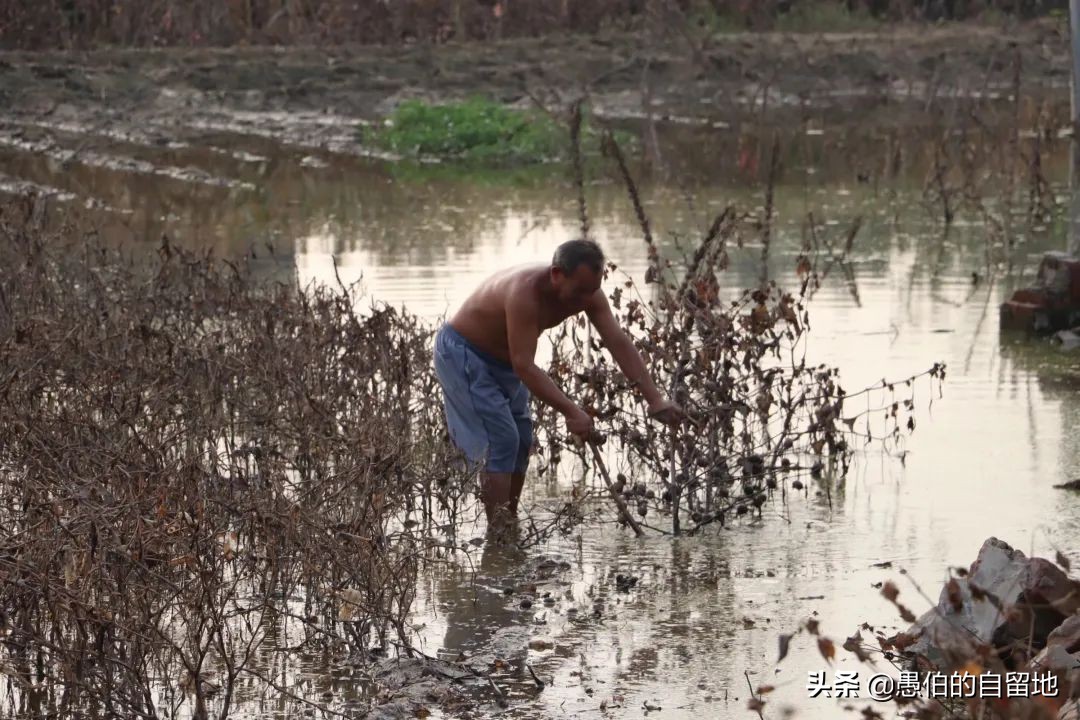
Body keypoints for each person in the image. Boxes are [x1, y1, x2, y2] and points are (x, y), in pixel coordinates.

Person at [433, 239, 684, 533]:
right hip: (465, 353)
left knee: (522, 439)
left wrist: (654, 399)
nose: (584, 301)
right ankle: (499, 534)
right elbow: (524, 365)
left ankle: (508, 525)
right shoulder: (524, 293)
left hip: (506, 362)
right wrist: (571, 411)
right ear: (556, 274)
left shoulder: (588, 293)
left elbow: (617, 340)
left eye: (591, 291)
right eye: (578, 292)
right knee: (502, 441)